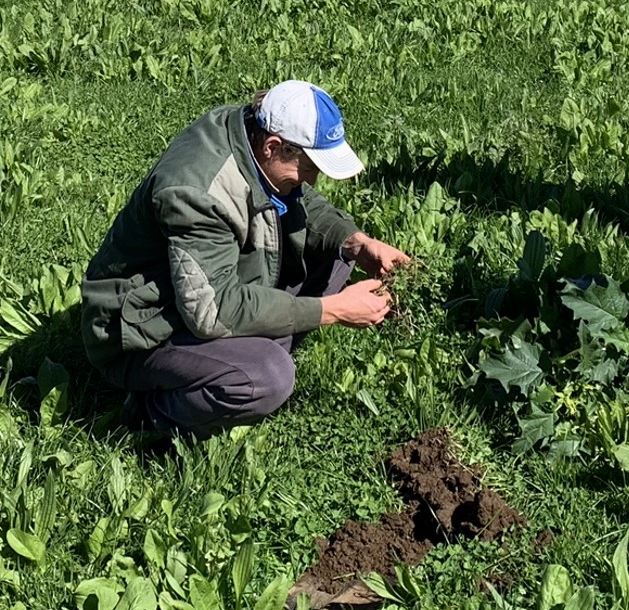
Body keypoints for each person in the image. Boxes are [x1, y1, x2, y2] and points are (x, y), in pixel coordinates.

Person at [81, 80, 410, 438]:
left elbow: (299, 199)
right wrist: (332, 310)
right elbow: (214, 311)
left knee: (338, 252)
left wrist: (359, 244)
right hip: (138, 329)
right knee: (269, 376)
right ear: (273, 147)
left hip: (199, 289)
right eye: (310, 166)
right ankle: (149, 415)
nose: (314, 179)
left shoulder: (249, 133)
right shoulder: (196, 195)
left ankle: (244, 355)